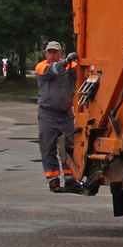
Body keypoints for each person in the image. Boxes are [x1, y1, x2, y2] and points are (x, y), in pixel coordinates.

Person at [36, 40, 80, 192]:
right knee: (48, 147)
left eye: (55, 52)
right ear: (46, 53)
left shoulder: (68, 66)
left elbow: (80, 70)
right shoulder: (42, 67)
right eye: (50, 52)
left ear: (60, 53)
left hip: (66, 114)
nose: (53, 55)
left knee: (70, 147)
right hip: (47, 114)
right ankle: (53, 179)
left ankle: (70, 178)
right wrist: (68, 61)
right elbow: (53, 70)